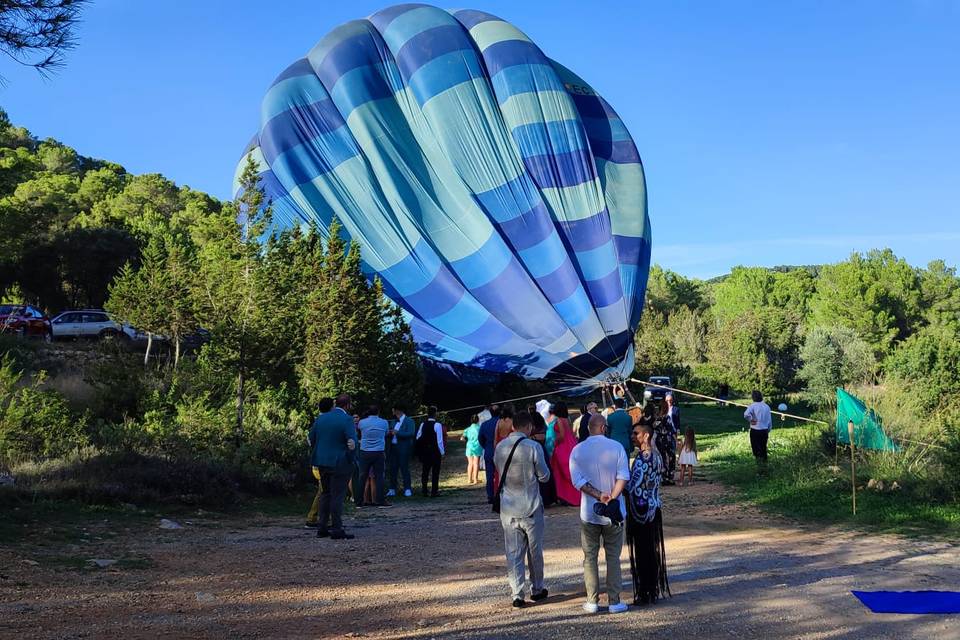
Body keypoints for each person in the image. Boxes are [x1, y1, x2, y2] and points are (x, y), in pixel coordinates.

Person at [569, 414, 630, 614]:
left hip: (589, 512)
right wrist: (611, 498)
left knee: (590, 557)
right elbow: (623, 477)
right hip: (614, 513)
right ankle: (614, 600)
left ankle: (592, 600)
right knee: (613, 556)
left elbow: (578, 481)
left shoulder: (577, 451)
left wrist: (598, 495)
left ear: (588, 428)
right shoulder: (617, 447)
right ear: (604, 428)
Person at [493, 411, 551, 608]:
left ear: (512, 427)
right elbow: (544, 476)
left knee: (513, 552)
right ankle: (537, 588)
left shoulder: (500, 446)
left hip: (508, 507)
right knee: (535, 551)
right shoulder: (533, 447)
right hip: (531, 505)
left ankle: (517, 593)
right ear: (529, 427)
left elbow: (498, 470)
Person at [625, 422, 669, 605]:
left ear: (646, 436)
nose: (632, 436)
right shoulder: (657, 456)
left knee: (643, 551)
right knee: (651, 550)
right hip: (653, 507)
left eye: (636, 434)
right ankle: (652, 588)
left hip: (641, 510)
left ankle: (645, 591)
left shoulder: (644, 458)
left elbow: (633, 486)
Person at [308, 393, 357, 540]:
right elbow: (352, 442)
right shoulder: (347, 419)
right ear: (348, 405)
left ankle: (322, 527)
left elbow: (311, 438)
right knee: (337, 495)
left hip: (322, 461)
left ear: (336, 404)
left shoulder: (321, 418)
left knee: (325, 494)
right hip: (339, 462)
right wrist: (351, 459)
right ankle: (337, 528)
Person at [305, 397, 334, 528]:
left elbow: (310, 440)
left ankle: (320, 517)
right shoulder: (325, 422)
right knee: (324, 491)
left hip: (317, 461)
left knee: (324, 490)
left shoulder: (317, 422)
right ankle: (313, 518)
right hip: (323, 462)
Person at [355, 405, 391, 507]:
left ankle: (359, 501)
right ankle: (380, 500)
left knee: (362, 476)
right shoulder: (384, 422)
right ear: (378, 412)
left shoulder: (362, 422)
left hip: (365, 451)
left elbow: (359, 432)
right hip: (378, 451)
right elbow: (386, 433)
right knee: (379, 476)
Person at [549, 402, 580, 507]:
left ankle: (566, 496)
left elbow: (561, 435)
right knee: (569, 472)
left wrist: (555, 442)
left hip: (563, 447)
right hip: (571, 445)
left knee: (561, 473)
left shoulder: (558, 420)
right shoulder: (568, 420)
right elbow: (571, 433)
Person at [528, 405, 556, 507]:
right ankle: (547, 498)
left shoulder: (531, 419)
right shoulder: (539, 417)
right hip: (540, 446)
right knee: (543, 470)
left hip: (534, 445)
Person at [387, 404, 416, 497]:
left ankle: (407, 489)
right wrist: (389, 433)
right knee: (393, 469)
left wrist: (398, 433)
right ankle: (392, 489)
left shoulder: (409, 421)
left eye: (393, 410)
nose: (392, 412)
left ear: (397, 410)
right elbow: (390, 431)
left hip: (404, 448)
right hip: (393, 447)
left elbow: (411, 433)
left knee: (404, 468)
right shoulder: (393, 421)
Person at [416, 406, 445, 497]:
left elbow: (418, 437)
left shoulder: (422, 424)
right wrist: (442, 452)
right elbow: (439, 440)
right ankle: (434, 491)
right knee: (435, 472)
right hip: (435, 451)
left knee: (425, 471)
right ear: (435, 414)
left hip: (425, 451)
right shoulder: (437, 425)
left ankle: (424, 491)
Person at [744, 390, 773, 472]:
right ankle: (764, 468)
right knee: (763, 449)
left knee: (756, 450)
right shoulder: (767, 406)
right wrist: (769, 429)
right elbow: (769, 420)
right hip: (764, 431)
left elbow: (746, 414)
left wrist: (751, 419)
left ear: (753, 397)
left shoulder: (752, 406)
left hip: (755, 430)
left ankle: (759, 468)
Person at [478, 404, 501, 503]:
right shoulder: (502, 423)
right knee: (501, 473)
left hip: (489, 450)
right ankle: (500, 493)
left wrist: (486, 447)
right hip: (501, 451)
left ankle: (490, 495)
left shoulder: (485, 424)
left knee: (489, 475)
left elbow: (480, 438)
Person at [461, 414, 483, 484]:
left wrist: (467, 440)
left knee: (470, 463)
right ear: (478, 420)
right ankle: (475, 479)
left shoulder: (467, 429)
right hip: (477, 446)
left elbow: (462, 438)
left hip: (469, 447)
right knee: (476, 463)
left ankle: (469, 479)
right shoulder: (480, 428)